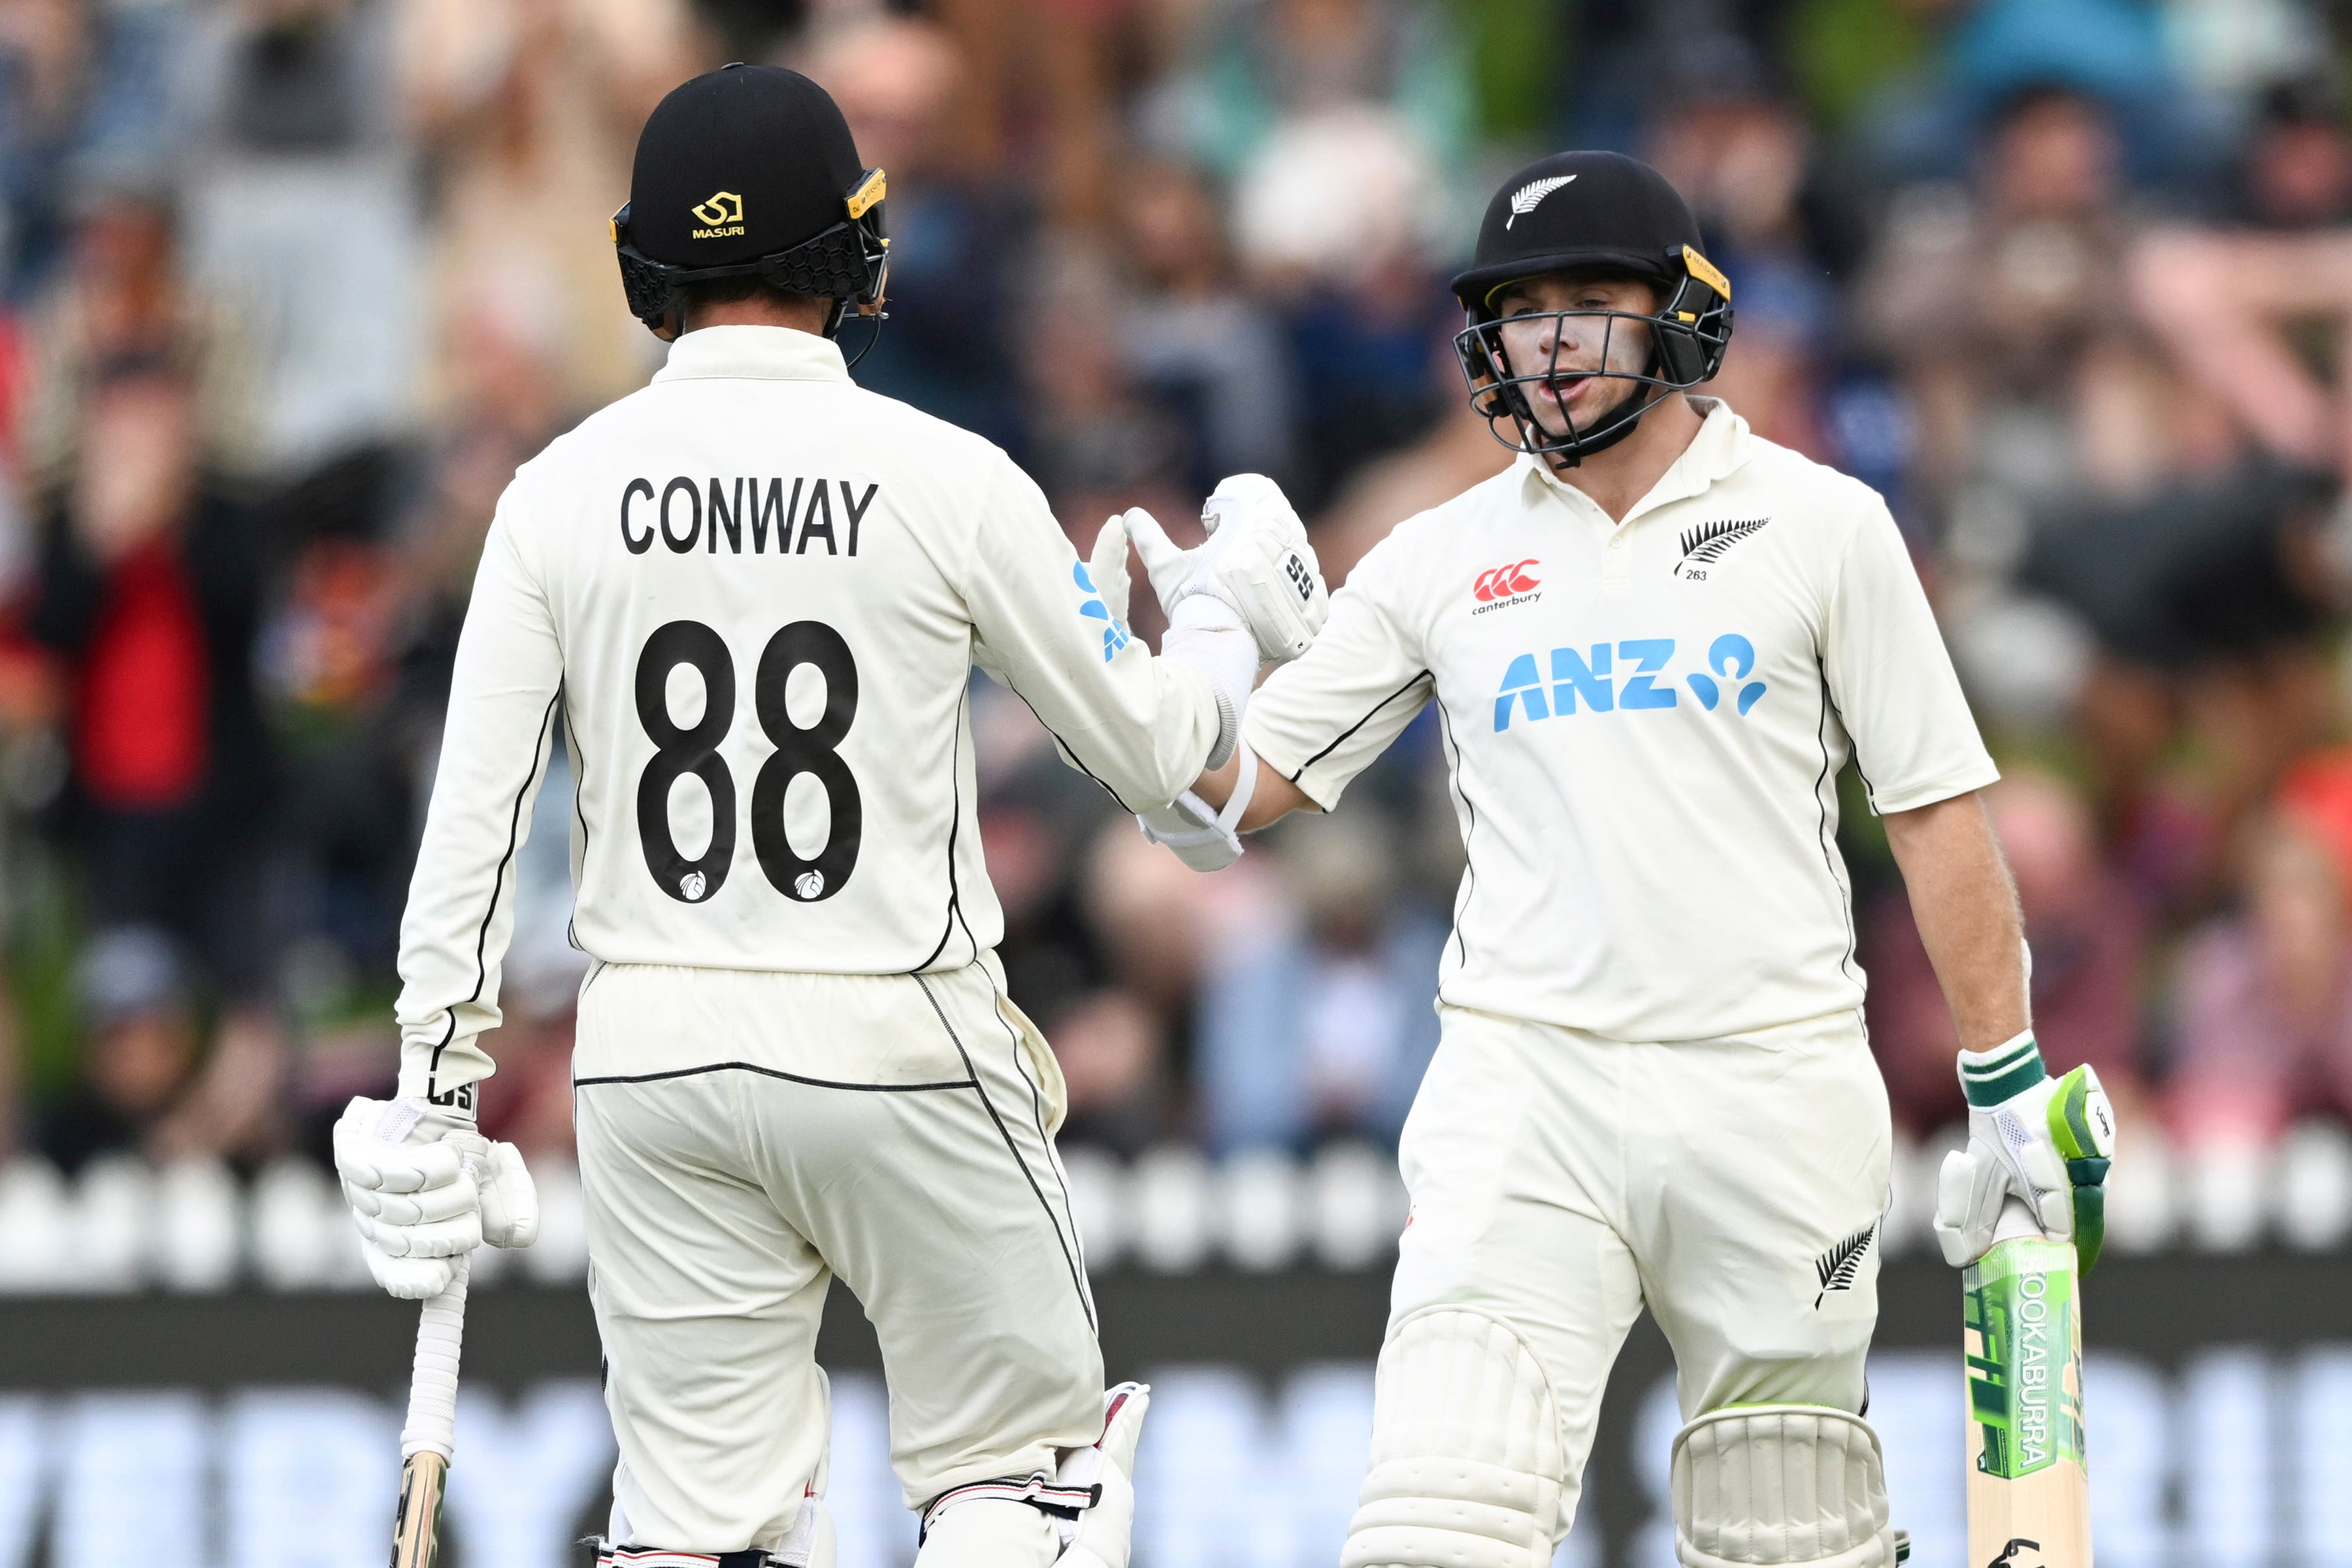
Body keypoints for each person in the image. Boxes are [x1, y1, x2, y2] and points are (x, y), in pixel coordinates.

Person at [325, 65, 1328, 1568]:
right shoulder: (946, 475)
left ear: (642, 265)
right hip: (896, 1033)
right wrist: (1227, 618)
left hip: (651, 1056)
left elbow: (467, 835)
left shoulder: (554, 493)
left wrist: (434, 1086)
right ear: (856, 253)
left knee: (692, 1535)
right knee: (1027, 1480)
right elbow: (1173, 769)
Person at [1120, 150, 2115, 1566]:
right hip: (1527, 1088)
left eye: (1590, 302)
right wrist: (1181, 660)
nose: (1553, 341)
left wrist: (2005, 1082)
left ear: (1682, 317)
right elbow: (1222, 800)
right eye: (1523, 311)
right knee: (1431, 1530)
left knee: (1788, 1531)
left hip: (1770, 1080)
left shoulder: (1822, 523)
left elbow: (1937, 811)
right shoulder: (1435, 555)